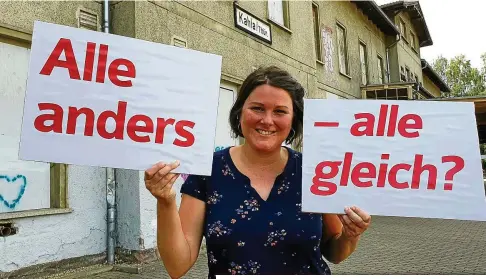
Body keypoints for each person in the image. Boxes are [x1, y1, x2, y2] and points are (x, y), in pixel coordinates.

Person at [145, 66, 371, 278]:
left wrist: (351, 236)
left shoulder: (314, 171)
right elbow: (177, 266)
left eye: (280, 111)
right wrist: (165, 201)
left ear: (293, 120)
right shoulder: (207, 171)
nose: (267, 120)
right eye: (257, 108)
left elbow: (334, 252)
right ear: (240, 111)